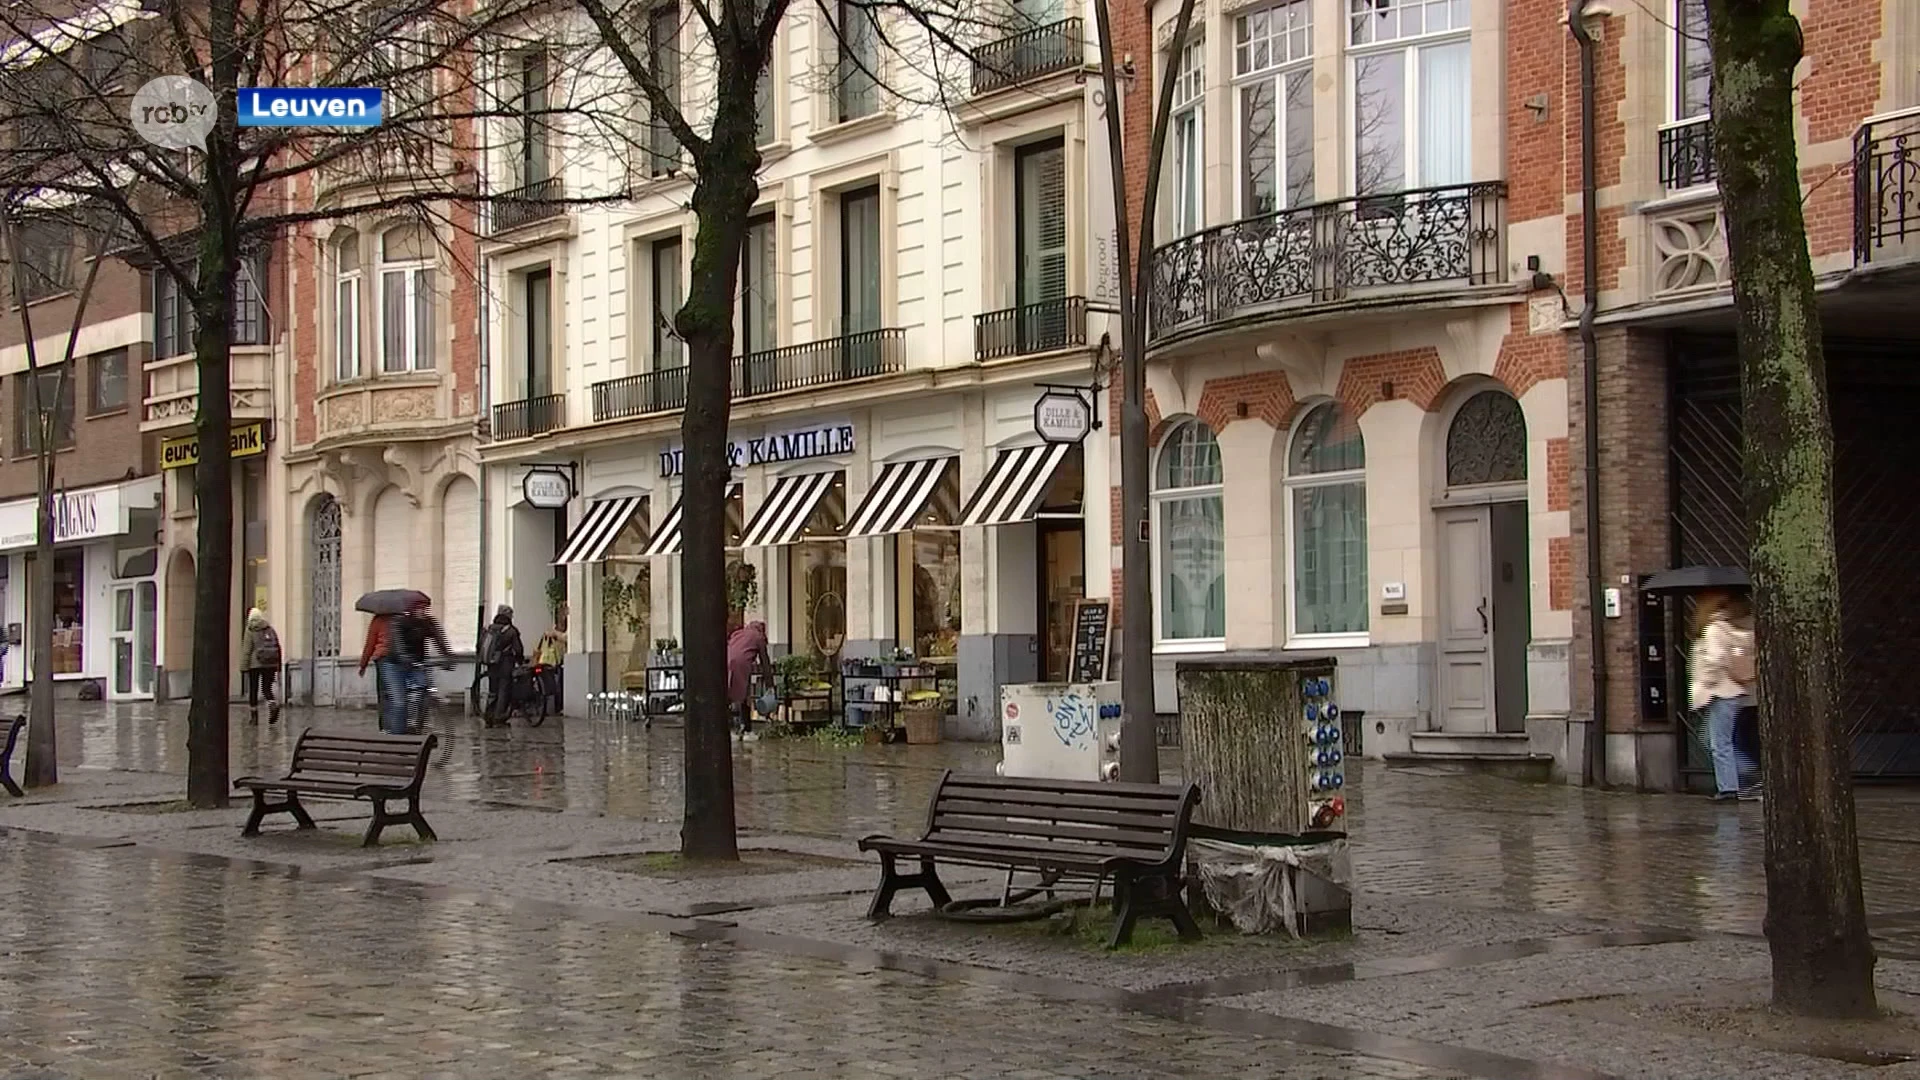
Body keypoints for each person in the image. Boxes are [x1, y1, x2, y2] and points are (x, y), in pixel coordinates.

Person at [1690, 590, 1759, 802]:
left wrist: (1707, 682)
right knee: (1712, 739)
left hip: (1721, 692)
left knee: (1719, 743)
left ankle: (1733, 786)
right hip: (1731, 692)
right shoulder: (1730, 628)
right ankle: (1738, 781)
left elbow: (1716, 659)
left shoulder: (1713, 630)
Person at [387, 597, 452, 734]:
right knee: (400, 702)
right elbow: (398, 645)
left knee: (424, 691)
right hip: (395, 664)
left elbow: (439, 640)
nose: (423, 611)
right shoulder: (399, 622)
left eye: (425, 608)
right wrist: (405, 658)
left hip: (418, 662)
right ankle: (396, 736)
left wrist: (447, 658)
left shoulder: (428, 623)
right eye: (419, 608)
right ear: (412, 610)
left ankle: (418, 727)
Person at [481, 605, 525, 726]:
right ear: (508, 615)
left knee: (493, 689)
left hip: (491, 663)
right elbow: (518, 648)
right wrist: (520, 660)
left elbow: (479, 645)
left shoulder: (490, 628)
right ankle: (499, 717)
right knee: (504, 689)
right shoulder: (511, 630)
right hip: (505, 662)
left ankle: (488, 716)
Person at [726, 620, 770, 733]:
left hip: (726, 661)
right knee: (743, 694)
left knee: (729, 692)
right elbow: (765, 661)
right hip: (742, 664)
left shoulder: (739, 633)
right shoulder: (758, 637)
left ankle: (732, 725)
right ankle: (745, 727)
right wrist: (770, 684)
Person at [242, 607, 283, 725]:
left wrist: (243, 667)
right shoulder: (269, 629)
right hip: (270, 663)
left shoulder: (250, 629)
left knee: (253, 690)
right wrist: (278, 665)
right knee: (266, 688)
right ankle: (272, 703)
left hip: (255, 664)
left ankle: (254, 717)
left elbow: (247, 650)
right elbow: (277, 646)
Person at [358, 613, 398, 732]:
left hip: (383, 658)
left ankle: (385, 728)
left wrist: (363, 664)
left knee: (384, 694)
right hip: (399, 659)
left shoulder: (378, 620)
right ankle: (397, 726)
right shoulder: (401, 618)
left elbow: (370, 643)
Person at [532, 609, 567, 714]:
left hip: (553, 662)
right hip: (554, 662)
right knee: (555, 684)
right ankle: (556, 707)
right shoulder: (552, 633)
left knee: (554, 684)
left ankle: (555, 707)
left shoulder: (553, 633)